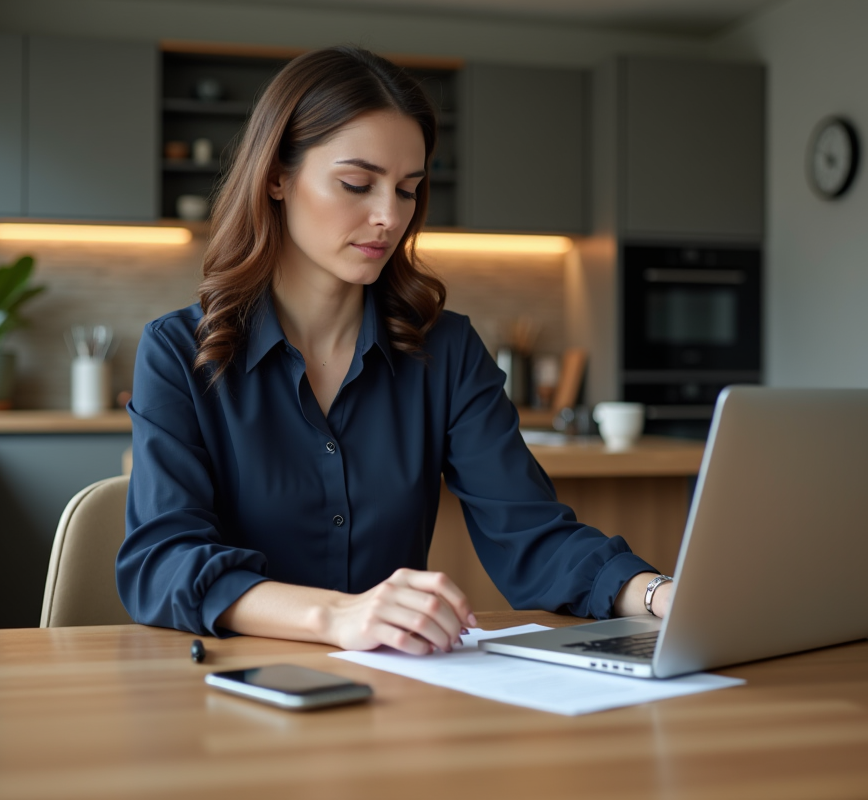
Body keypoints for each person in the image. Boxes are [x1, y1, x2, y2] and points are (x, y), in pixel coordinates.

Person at [117, 46, 673, 656]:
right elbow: (162, 562)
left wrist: (658, 594)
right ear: (277, 175)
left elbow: (532, 535)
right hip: (231, 693)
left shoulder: (448, 351)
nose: (389, 216)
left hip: (397, 692)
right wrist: (336, 616)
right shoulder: (178, 353)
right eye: (357, 184)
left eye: (408, 190)